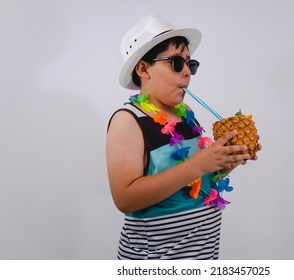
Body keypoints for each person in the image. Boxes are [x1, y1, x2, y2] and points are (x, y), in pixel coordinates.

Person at [106, 14, 261, 260]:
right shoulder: (128, 119)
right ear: (143, 68)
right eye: (177, 63)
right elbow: (125, 199)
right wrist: (198, 164)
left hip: (202, 256)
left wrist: (224, 163)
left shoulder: (186, 114)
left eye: (191, 64)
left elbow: (195, 182)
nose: (188, 72)